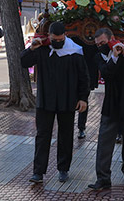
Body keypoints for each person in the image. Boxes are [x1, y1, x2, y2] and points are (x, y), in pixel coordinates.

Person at [21, 22, 89, 184]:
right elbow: (24, 62)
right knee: (42, 136)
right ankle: (38, 172)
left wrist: (83, 98)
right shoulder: (43, 49)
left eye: (60, 39)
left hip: (67, 100)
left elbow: (83, 77)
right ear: (49, 36)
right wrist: (31, 48)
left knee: (66, 136)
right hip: (46, 100)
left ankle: (63, 169)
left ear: (65, 36)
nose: (57, 42)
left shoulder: (74, 52)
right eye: (54, 39)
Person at [89, 26, 124, 190]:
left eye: (104, 42)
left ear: (111, 38)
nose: (101, 46)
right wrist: (113, 57)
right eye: (98, 44)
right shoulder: (100, 56)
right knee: (104, 142)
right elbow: (106, 73)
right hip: (111, 105)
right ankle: (103, 177)